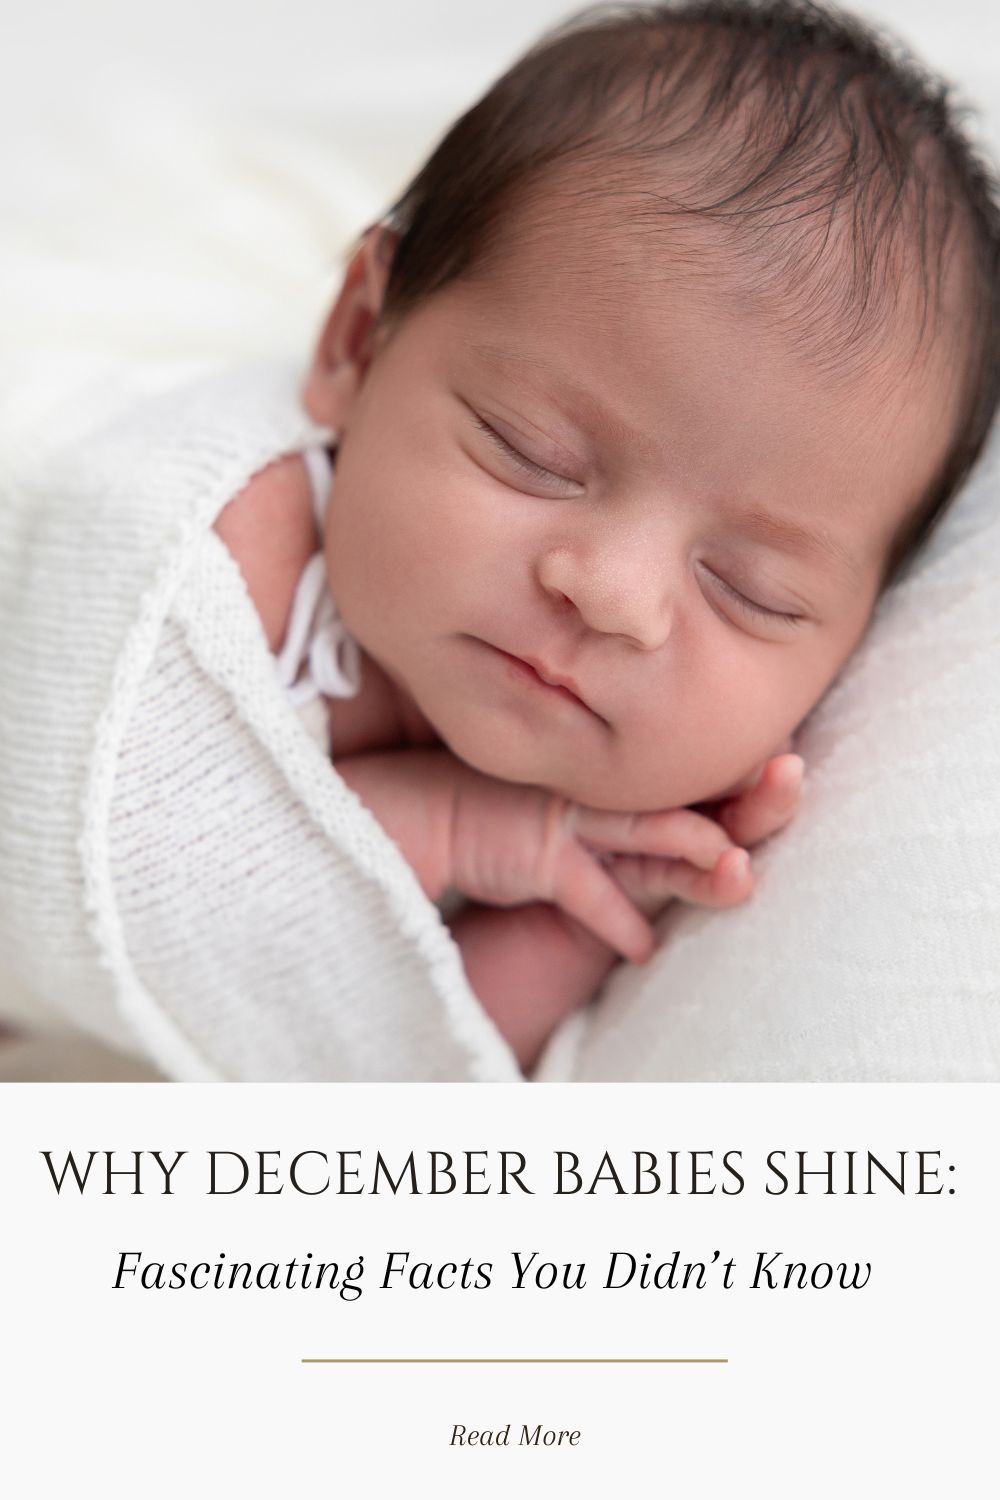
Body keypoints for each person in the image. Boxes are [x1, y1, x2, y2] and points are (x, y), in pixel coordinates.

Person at [212, 0, 999, 1070]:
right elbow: (126, 845)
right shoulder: (230, 548)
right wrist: (453, 827)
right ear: (360, 339)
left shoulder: (600, 849)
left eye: (750, 589)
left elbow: (381, 1073)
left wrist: (570, 914)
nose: (613, 596)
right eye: (530, 451)